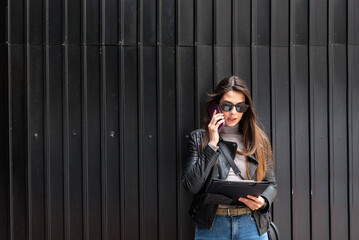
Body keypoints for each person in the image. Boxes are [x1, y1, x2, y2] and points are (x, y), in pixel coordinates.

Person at [182, 76, 277, 240]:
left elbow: (272, 184)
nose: (234, 112)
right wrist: (212, 144)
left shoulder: (258, 140)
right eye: (227, 106)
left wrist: (264, 201)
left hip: (251, 224)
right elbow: (191, 185)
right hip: (213, 226)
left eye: (240, 107)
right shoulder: (198, 139)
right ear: (215, 107)